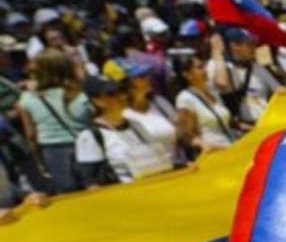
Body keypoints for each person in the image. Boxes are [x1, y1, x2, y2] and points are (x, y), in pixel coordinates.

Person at [75, 75, 174, 186]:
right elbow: (90, 181)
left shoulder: (136, 124)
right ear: (97, 101)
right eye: (111, 94)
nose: (120, 97)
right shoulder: (91, 136)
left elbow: (155, 158)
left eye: (120, 91)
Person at [16, 50, 91, 194]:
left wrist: (39, 162)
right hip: (87, 146)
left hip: (53, 152)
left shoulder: (27, 99)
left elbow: (31, 135)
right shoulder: (82, 93)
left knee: (70, 196)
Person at [207, 28, 282, 129]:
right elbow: (222, 83)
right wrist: (217, 52)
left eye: (254, 44)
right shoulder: (218, 65)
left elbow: (279, 90)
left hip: (263, 124)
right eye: (249, 44)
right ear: (234, 46)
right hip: (239, 129)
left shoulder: (257, 67)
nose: (254, 48)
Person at [172, 55, 236, 154]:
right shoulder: (185, 98)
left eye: (204, 66)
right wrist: (202, 144)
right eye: (199, 67)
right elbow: (184, 134)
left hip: (231, 147)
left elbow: (230, 123)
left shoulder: (213, 92)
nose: (205, 70)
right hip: (212, 153)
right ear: (187, 74)